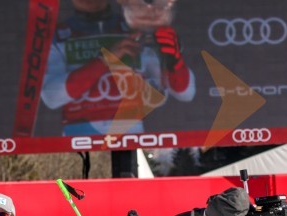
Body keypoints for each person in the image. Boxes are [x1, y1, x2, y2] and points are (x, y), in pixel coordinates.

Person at [41, 0, 194, 136]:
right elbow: (52, 97)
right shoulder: (58, 35)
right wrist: (105, 60)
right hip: (79, 135)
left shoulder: (136, 27)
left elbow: (185, 93)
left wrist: (175, 62)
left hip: (131, 131)